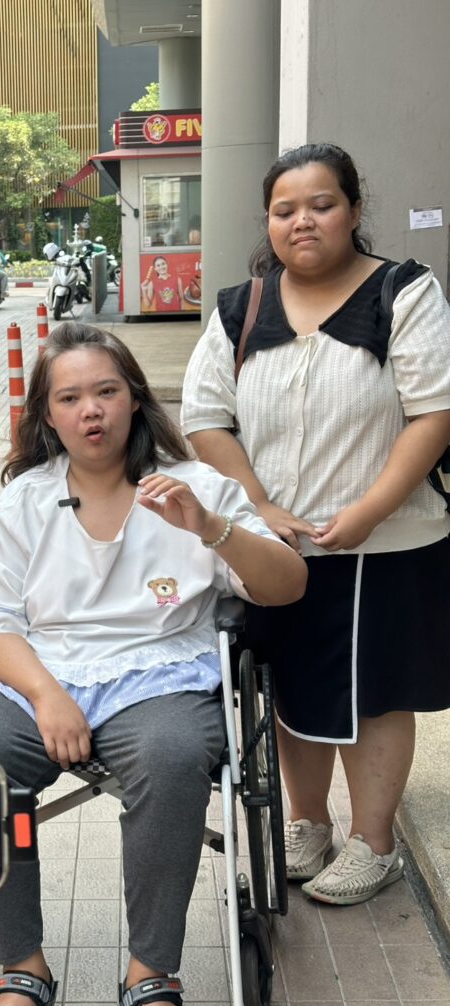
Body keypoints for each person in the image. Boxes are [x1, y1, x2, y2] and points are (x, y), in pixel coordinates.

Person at [0, 322, 306, 1006]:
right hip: (36, 675)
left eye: (107, 392)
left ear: (135, 399)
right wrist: (46, 696)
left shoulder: (197, 487)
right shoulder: (24, 500)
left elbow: (288, 584)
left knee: (172, 755)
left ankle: (150, 977)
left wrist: (210, 528)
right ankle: (21, 969)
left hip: (158, 673)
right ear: (48, 415)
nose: (92, 411)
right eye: (70, 398)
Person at [181, 142, 450, 907]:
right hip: (277, 547)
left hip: (387, 543)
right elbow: (205, 417)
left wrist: (368, 510)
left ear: (354, 210)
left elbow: (434, 411)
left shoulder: (403, 291)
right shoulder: (241, 307)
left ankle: (375, 842)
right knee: (290, 686)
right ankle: (307, 824)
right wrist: (257, 506)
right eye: (285, 209)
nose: (303, 221)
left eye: (322, 204)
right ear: (268, 221)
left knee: (375, 693)